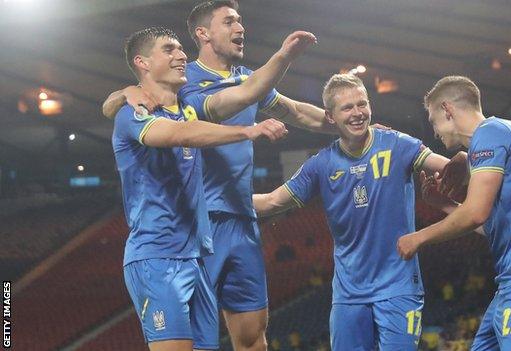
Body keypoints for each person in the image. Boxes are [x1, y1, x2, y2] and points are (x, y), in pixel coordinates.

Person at [102, 2, 338, 349]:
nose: (239, 27)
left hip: (240, 219)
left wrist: (350, 128)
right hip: (199, 226)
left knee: (251, 334)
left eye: (240, 20)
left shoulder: (247, 77)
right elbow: (141, 110)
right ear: (203, 33)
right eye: (229, 21)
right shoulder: (184, 84)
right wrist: (124, 93)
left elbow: (296, 111)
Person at [252, 74, 461, 349]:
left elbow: (448, 170)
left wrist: (467, 161)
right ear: (330, 116)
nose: (357, 113)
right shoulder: (321, 164)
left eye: (362, 104)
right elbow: (270, 202)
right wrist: (208, 201)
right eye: (347, 108)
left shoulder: (397, 144)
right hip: (349, 295)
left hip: (398, 288)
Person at [397, 75, 511, 350]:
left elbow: (475, 214)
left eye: (432, 121)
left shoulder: (490, 134)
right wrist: (443, 204)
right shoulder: (499, 134)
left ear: (447, 109)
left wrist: (418, 237)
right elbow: (488, 225)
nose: (434, 131)